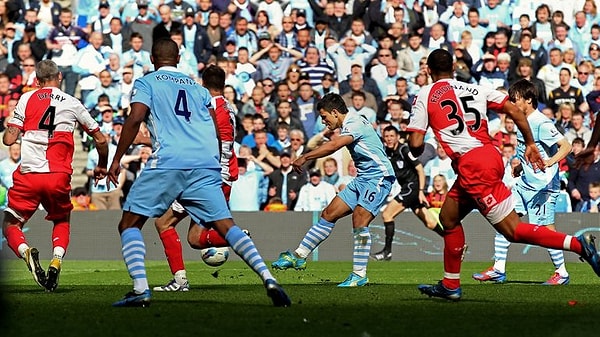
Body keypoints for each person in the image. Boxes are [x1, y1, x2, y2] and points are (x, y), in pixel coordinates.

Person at [95, 39, 290, 307]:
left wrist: (116, 159)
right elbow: (211, 125)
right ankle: (269, 278)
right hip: (205, 164)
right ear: (178, 58)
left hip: (169, 160)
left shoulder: (147, 82)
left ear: (153, 59)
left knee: (129, 224)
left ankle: (141, 289)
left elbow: (135, 117)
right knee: (226, 226)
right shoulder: (198, 90)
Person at [407, 49, 600, 301]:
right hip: (488, 156)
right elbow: (516, 111)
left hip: (473, 166)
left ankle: (579, 245)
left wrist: (416, 148)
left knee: (513, 230)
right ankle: (450, 284)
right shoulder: (476, 89)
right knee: (448, 217)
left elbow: (415, 142)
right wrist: (530, 143)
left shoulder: (425, 94)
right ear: (454, 68)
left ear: (428, 70)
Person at [1, 59, 109, 292]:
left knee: (10, 224)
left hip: (28, 174)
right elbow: (100, 139)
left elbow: (9, 139)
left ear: (37, 81)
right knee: (61, 219)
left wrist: (16, 125)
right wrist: (101, 165)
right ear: (60, 77)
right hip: (58, 176)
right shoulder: (73, 102)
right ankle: (56, 260)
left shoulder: (27, 98)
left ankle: (25, 251)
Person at [271, 93, 396, 287]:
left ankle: (359, 274)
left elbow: (334, 145)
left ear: (335, 112)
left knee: (360, 219)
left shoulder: (354, 123)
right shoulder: (351, 123)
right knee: (329, 213)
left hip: (379, 177)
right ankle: (299, 256)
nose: (323, 122)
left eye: (324, 116)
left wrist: (305, 157)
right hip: (363, 178)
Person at [473, 79, 573, 286]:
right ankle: (498, 269)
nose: (512, 103)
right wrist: (521, 166)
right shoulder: (522, 120)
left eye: (515, 99)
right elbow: (530, 149)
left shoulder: (540, 122)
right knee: (504, 220)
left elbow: (566, 146)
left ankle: (561, 272)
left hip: (543, 187)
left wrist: (549, 161)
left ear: (528, 100)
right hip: (525, 182)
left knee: (545, 230)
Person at [150, 65, 240, 292]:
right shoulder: (229, 109)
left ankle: (180, 282)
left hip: (205, 177)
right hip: (225, 177)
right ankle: (234, 237)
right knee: (195, 238)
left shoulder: (206, 107)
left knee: (163, 222)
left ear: (202, 83)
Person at [371, 125, 444, 262]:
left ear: (397, 137)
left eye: (392, 136)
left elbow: (420, 169)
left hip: (413, 188)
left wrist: (421, 191)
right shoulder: (387, 152)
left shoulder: (404, 149)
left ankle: (387, 252)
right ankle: (456, 244)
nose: (389, 139)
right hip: (407, 189)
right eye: (386, 136)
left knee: (387, 214)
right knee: (429, 222)